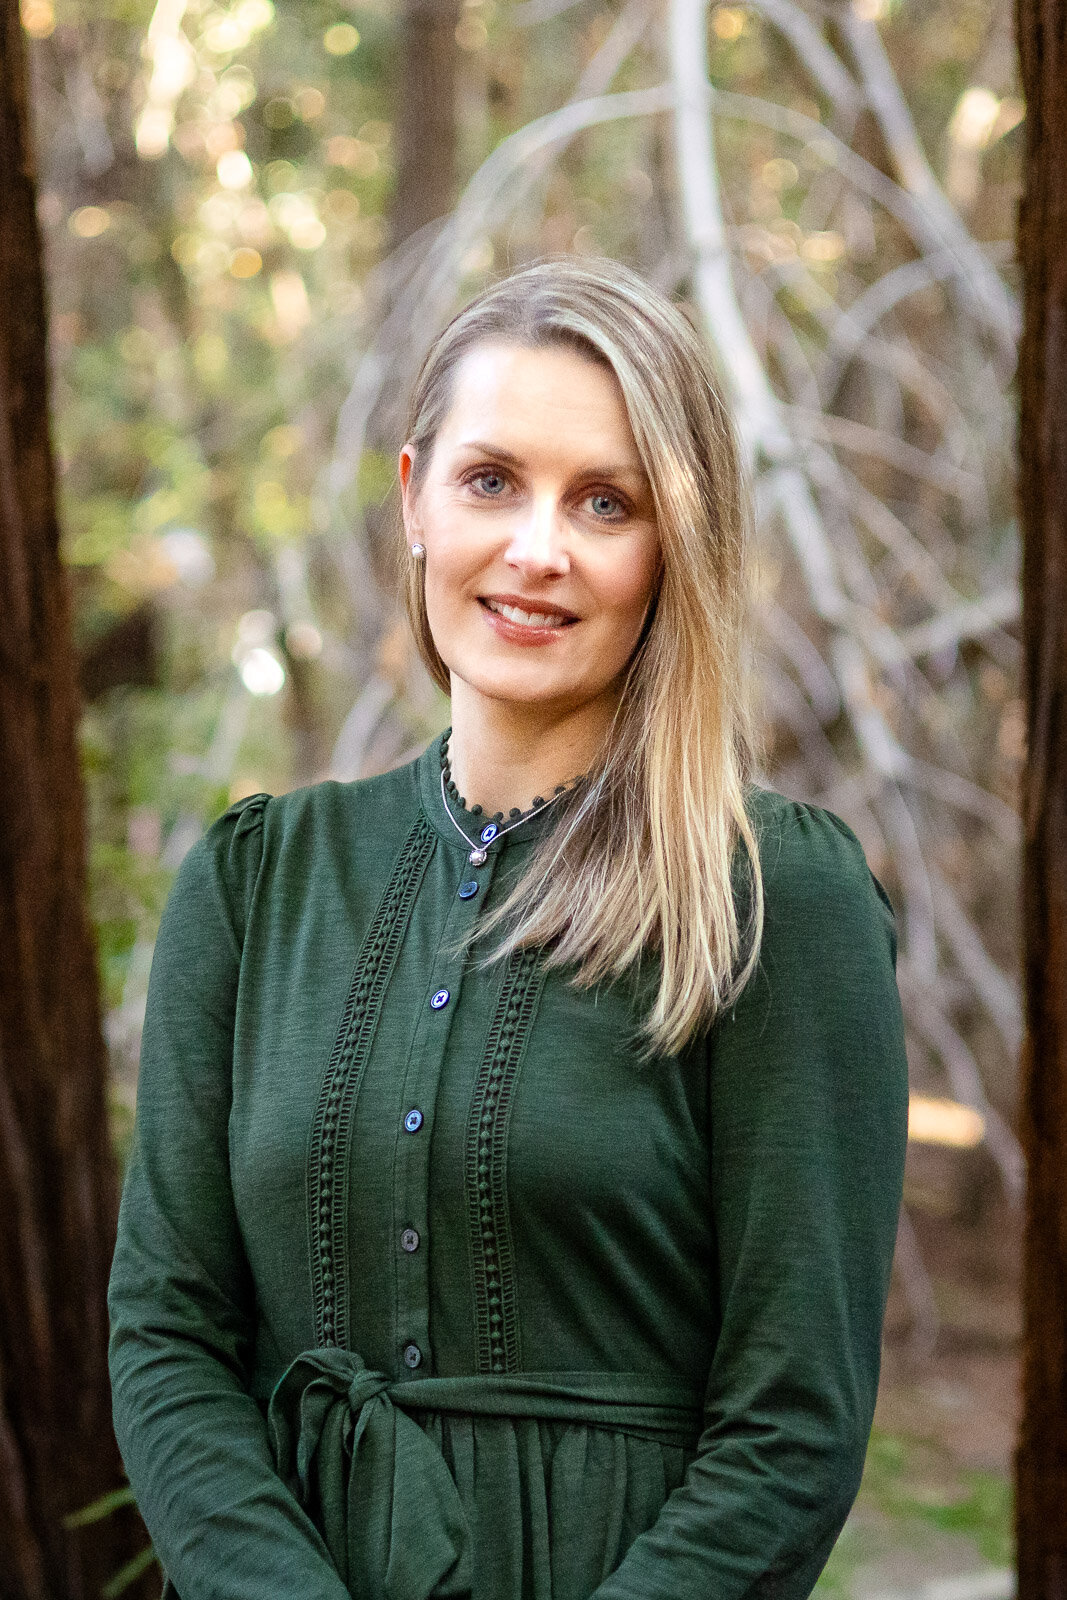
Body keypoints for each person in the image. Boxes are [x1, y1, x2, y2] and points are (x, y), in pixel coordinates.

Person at [107, 255, 909, 1600]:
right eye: (494, 482)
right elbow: (167, 1335)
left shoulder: (777, 902)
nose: (538, 547)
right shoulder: (254, 885)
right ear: (417, 500)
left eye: (606, 501)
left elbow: (793, 1425)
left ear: (674, 546)